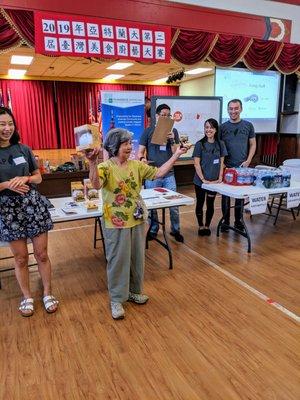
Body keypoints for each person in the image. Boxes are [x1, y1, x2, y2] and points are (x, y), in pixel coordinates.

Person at [86, 128, 187, 320]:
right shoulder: (106, 167)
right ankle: (116, 299)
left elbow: (158, 173)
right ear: (114, 146)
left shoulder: (136, 165)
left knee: (136, 257)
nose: (129, 147)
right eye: (125, 144)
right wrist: (92, 162)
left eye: (129, 143)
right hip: (115, 221)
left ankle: (133, 291)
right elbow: (96, 185)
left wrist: (176, 155)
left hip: (137, 217)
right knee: (117, 259)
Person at [0, 107, 58, 317]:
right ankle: (27, 296)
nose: (7, 128)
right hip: (8, 210)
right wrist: (7, 184)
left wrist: (25, 179)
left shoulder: (23, 149)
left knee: (41, 254)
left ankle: (48, 292)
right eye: (2, 124)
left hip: (33, 206)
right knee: (21, 258)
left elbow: (38, 177)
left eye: (10, 124)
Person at [138, 103, 184, 243]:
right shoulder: (148, 131)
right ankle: (153, 229)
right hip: (152, 174)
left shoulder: (174, 131)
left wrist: (171, 139)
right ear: (156, 116)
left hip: (169, 174)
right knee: (152, 206)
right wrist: (142, 159)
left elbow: (177, 152)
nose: (165, 117)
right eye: (162, 115)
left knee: (174, 206)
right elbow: (140, 152)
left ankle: (175, 230)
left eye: (168, 115)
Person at [220, 99, 256, 231]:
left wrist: (248, 160)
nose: (233, 111)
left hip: (242, 167)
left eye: (236, 108)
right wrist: (222, 164)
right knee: (225, 196)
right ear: (227, 110)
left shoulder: (248, 125)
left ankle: (238, 221)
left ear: (241, 109)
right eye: (231, 108)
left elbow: (253, 144)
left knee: (240, 196)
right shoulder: (222, 127)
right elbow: (219, 147)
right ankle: (225, 221)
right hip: (227, 167)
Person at [193, 118, 227, 236]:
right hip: (200, 182)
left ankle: (207, 225)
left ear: (216, 129)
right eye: (206, 127)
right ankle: (200, 226)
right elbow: (196, 164)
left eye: (211, 127)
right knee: (200, 203)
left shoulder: (221, 144)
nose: (208, 130)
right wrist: (203, 180)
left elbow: (222, 163)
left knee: (210, 204)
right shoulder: (199, 144)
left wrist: (220, 178)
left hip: (214, 182)